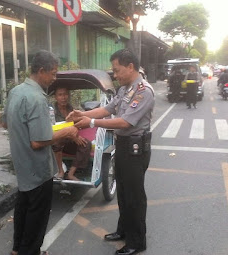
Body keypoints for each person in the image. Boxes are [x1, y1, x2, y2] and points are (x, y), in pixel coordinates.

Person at [67, 48, 154, 255]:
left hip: (136, 149)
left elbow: (125, 122)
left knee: (134, 197)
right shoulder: (124, 89)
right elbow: (108, 109)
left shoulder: (143, 91)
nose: (115, 75)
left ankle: (137, 241)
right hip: (123, 147)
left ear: (130, 67)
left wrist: (93, 122)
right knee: (123, 193)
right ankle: (123, 231)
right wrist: (83, 114)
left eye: (117, 70)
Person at [1, 50, 80, 255]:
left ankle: (17, 249)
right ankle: (30, 251)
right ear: (41, 70)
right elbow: (38, 142)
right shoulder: (37, 98)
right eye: (52, 73)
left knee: (23, 209)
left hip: (22, 165)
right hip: (37, 169)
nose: (54, 79)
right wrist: (68, 131)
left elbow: (4, 122)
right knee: (36, 219)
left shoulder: (16, 91)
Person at [52, 86, 91, 181]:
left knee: (86, 144)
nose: (63, 97)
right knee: (57, 142)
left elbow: (76, 124)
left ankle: (71, 173)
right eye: (60, 95)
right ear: (55, 97)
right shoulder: (52, 110)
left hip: (69, 140)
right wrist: (73, 137)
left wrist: (76, 137)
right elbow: (53, 129)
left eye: (65, 94)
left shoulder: (71, 108)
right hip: (56, 140)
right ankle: (61, 171)